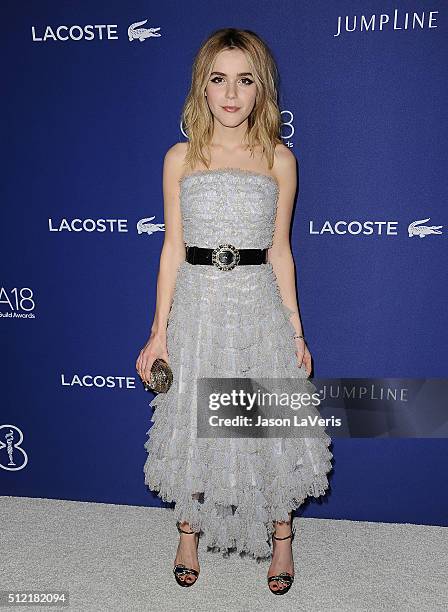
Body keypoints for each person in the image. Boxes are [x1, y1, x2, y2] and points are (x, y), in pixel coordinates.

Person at [136, 28, 333, 595]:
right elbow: (171, 248)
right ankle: (188, 531)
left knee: (267, 425)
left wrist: (295, 327)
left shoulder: (279, 159)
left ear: (260, 90)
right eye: (218, 79)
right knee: (195, 424)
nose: (230, 93)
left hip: (256, 303)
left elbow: (280, 250)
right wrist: (158, 333)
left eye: (244, 80)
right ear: (202, 88)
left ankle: (282, 539)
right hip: (198, 302)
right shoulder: (181, 158)